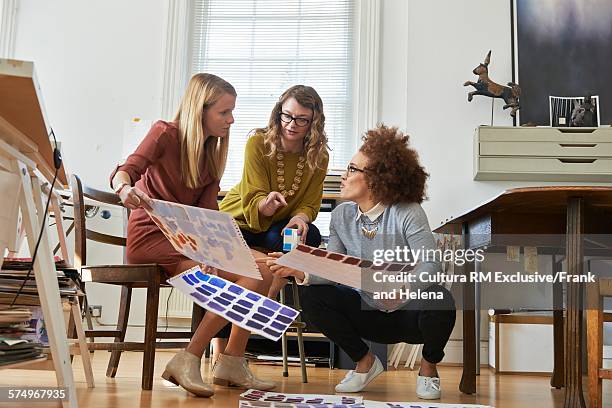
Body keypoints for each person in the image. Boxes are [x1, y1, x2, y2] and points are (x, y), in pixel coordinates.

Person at [110, 73, 275, 397]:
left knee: (265, 268)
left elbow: (208, 216)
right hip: (151, 239)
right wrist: (124, 189)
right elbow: (127, 170)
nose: (231, 119)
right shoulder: (164, 133)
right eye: (224, 112)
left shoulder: (212, 154)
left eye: (232, 112)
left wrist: (211, 253)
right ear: (200, 109)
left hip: (186, 242)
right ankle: (190, 357)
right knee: (255, 272)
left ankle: (231, 361)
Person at [266, 125, 456, 400]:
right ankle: (365, 362)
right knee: (314, 296)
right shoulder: (341, 216)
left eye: (353, 170)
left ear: (378, 179)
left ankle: (428, 369)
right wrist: (302, 271)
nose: (343, 176)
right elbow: (333, 270)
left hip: (406, 314)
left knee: (441, 299)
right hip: (365, 312)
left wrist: (403, 287)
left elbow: (430, 265)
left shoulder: (408, 213)